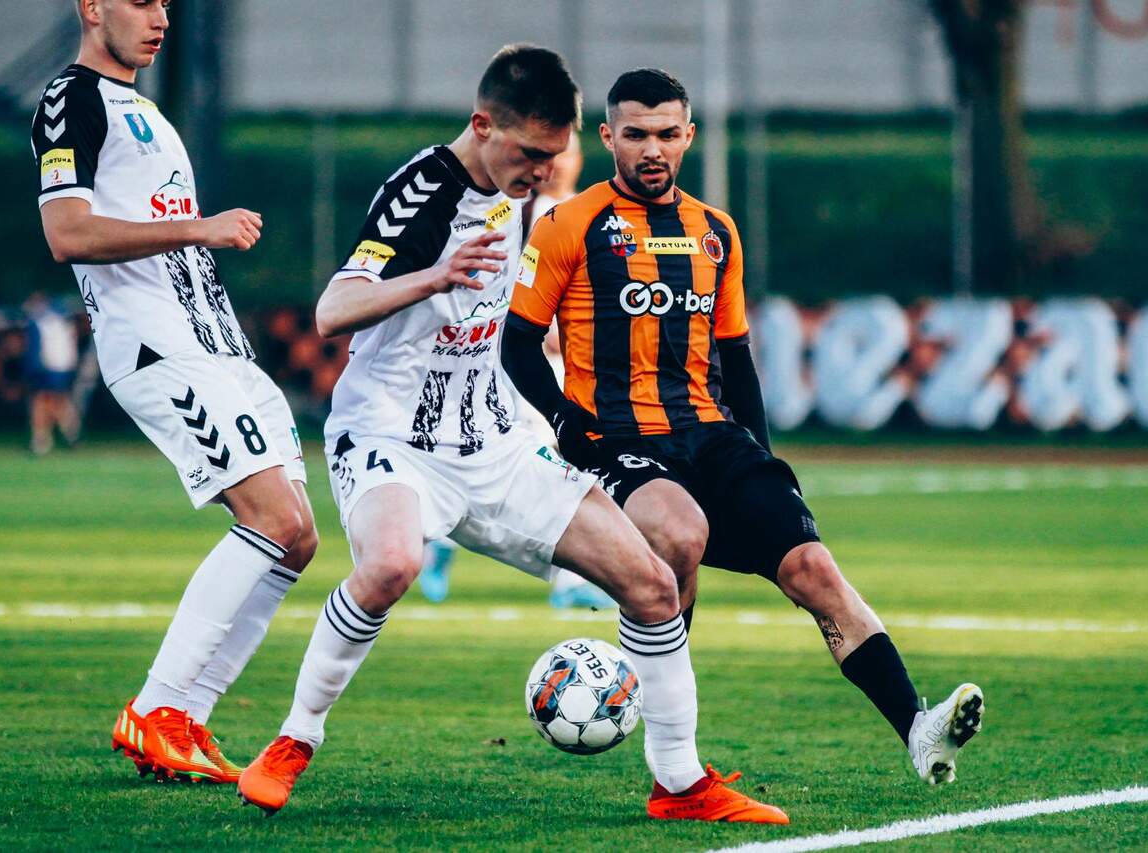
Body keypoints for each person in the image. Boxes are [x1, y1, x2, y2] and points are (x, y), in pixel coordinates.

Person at [236, 46, 785, 824]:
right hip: (395, 437)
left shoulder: (527, 198)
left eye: (554, 156)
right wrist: (435, 275)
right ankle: (294, 738)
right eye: (530, 154)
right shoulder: (424, 193)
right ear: (483, 125)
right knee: (391, 562)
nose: (542, 172)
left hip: (498, 443)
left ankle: (680, 782)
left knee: (655, 585)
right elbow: (333, 310)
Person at [503, 68, 984, 787]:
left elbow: (736, 357)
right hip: (621, 440)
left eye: (667, 134)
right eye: (636, 134)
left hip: (714, 435)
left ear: (688, 136)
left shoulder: (715, 232)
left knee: (814, 569)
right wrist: (568, 423)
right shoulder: (567, 225)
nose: (652, 149)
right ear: (607, 137)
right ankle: (671, 757)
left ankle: (919, 729)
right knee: (679, 534)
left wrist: (761, 456)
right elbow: (516, 343)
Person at [33, 0, 319, 783]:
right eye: (140, 0)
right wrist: (199, 227)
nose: (159, 16)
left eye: (164, 2)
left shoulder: (145, 109)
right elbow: (67, 233)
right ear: (92, 8)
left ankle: (186, 717)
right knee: (272, 519)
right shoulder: (71, 99)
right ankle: (156, 708)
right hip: (159, 348)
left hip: (219, 349)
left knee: (297, 537)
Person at [417, 131, 616, 611]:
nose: (558, 162)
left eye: (567, 152)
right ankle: (565, 579)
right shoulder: (521, 212)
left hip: (573, 362)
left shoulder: (592, 216)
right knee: (554, 460)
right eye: (551, 152)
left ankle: (439, 540)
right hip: (523, 361)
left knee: (559, 463)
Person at [22, 291, 82, 455]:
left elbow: (39, 349)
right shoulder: (60, 320)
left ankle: (46, 439)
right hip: (59, 367)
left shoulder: (46, 321)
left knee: (45, 401)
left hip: (51, 367)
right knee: (51, 401)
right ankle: (67, 433)